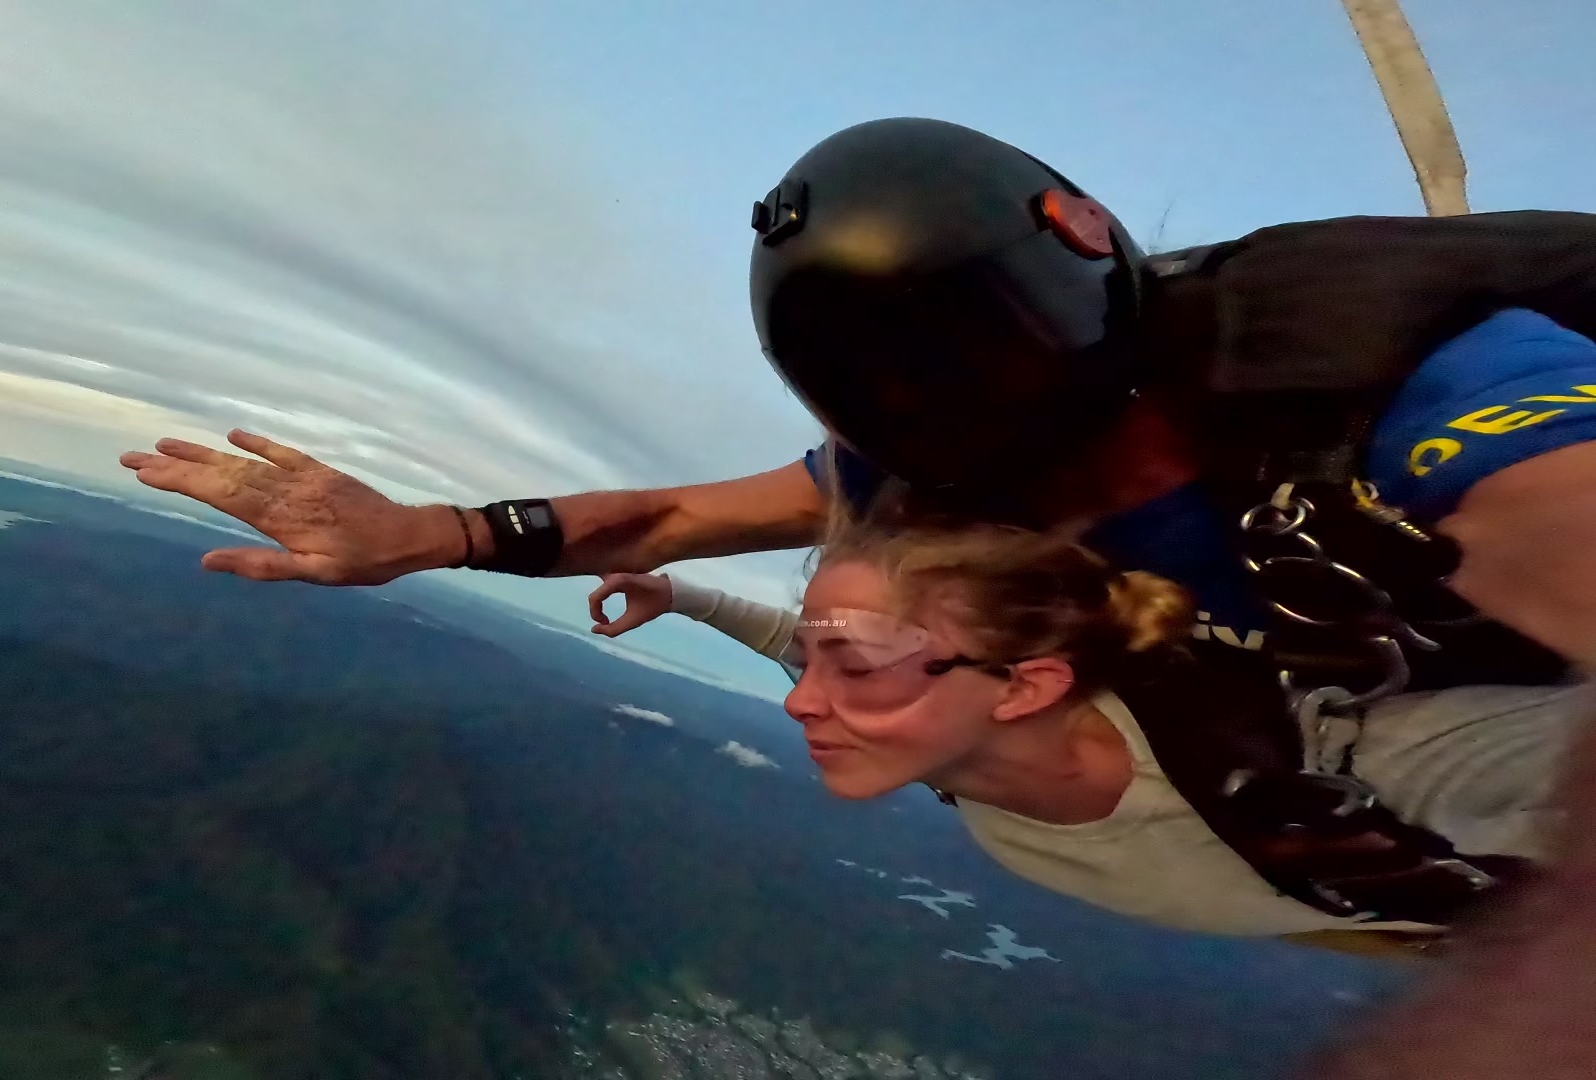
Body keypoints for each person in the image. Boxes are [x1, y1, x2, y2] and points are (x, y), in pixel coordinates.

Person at [121, 116, 1596, 1073]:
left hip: (1474, 697)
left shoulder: (1414, 381)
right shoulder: (930, 490)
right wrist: (428, 534)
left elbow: (1555, 519)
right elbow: (669, 516)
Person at [586, 533, 1577, 955]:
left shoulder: (1346, 760)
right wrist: (686, 597)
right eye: (812, 660)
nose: (804, 702)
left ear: (1025, 688)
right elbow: (830, 654)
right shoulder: (962, 754)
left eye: (848, 664)